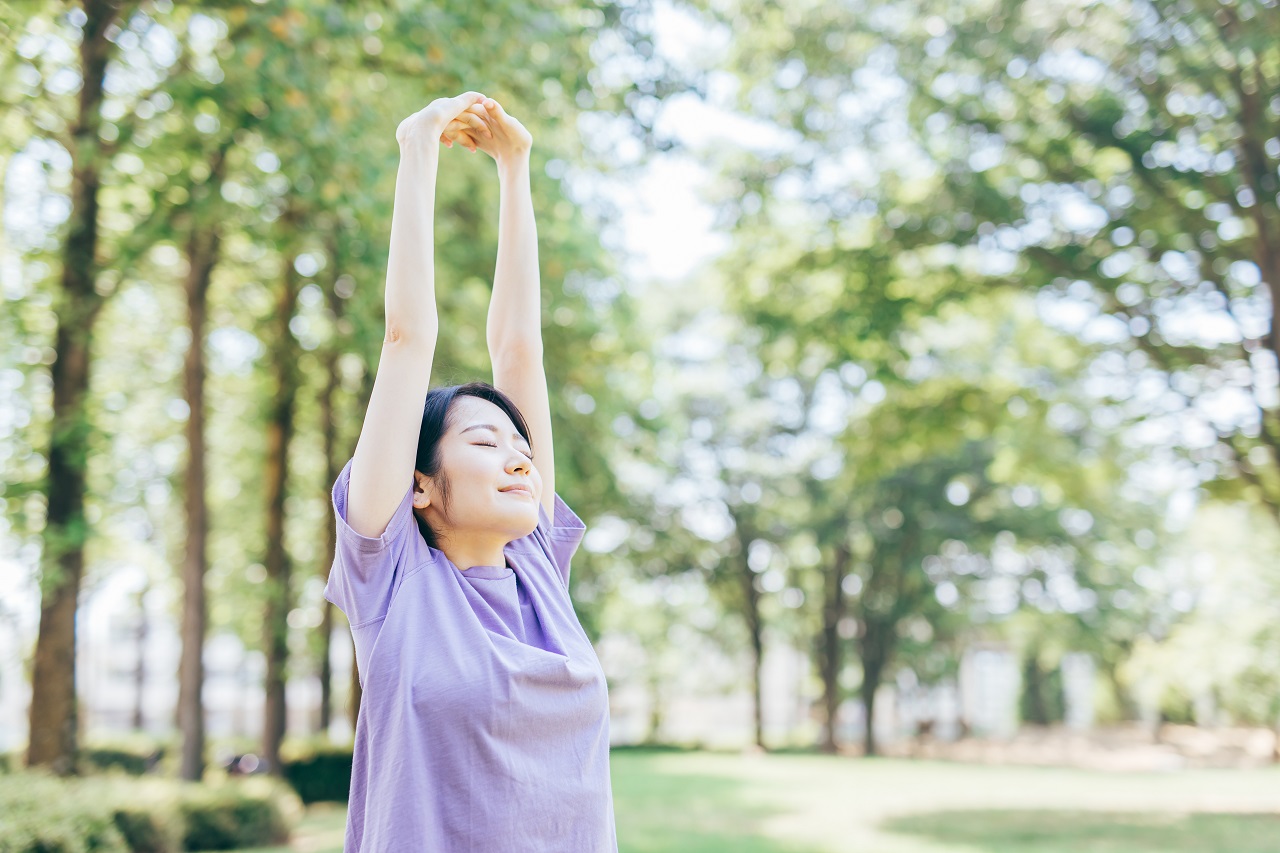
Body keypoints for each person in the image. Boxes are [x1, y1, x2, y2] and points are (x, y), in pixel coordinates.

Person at [324, 92, 617, 852]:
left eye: (519, 445)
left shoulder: (538, 568)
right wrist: (417, 146)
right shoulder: (391, 581)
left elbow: (520, 350)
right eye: (486, 444)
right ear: (419, 485)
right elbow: (405, 337)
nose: (521, 456)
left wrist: (516, 168)